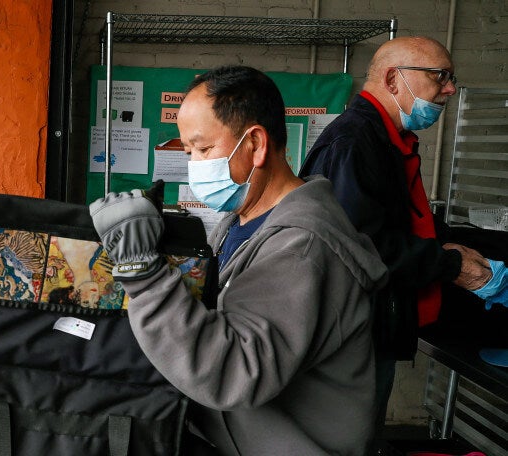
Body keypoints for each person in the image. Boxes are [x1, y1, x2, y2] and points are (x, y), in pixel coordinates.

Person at [90, 66, 388, 455]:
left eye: (203, 149)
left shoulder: (302, 248)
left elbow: (234, 372)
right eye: (188, 151)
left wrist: (143, 272)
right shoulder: (241, 221)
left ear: (256, 144)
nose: (193, 164)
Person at [298, 36, 493, 431]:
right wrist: (450, 264)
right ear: (392, 79)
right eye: (441, 76)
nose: (451, 89)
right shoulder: (355, 142)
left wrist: (446, 244)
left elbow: (392, 221)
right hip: (351, 340)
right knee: (346, 438)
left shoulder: (383, 138)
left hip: (367, 333)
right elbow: (358, 247)